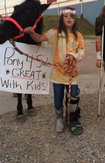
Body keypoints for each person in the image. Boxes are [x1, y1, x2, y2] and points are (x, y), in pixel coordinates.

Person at [24, 7, 84, 135]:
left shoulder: (78, 35)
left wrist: (75, 56)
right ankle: (59, 118)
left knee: (73, 96)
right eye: (66, 16)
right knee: (58, 98)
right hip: (57, 74)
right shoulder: (54, 33)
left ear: (75, 20)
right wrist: (31, 32)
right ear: (61, 18)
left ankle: (72, 119)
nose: (69, 18)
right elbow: (39, 38)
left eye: (72, 16)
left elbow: (81, 50)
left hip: (72, 74)